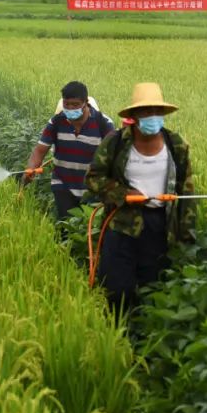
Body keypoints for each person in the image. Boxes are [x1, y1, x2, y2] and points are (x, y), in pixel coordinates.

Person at [86, 82, 196, 317]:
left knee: (152, 286)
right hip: (121, 225)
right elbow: (94, 178)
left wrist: (186, 235)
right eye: (146, 112)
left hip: (159, 227)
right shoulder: (115, 143)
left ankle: (145, 336)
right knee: (116, 288)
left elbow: (186, 192)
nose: (152, 118)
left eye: (157, 112)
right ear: (134, 116)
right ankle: (117, 331)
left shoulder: (176, 146)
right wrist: (124, 195)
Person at [26, 81, 114, 221]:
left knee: (88, 227)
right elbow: (39, 151)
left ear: (85, 102)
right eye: (67, 104)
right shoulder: (56, 122)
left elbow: (113, 156)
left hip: (93, 188)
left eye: (75, 104)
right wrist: (31, 168)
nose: (70, 108)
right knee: (66, 225)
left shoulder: (103, 123)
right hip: (63, 184)